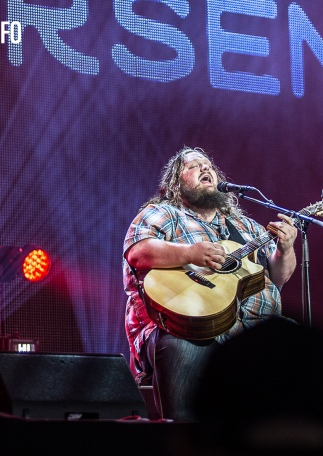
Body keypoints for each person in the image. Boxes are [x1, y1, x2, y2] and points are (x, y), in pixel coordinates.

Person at [122, 146, 298, 421]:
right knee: (183, 345)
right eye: (194, 166)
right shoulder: (165, 213)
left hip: (253, 330)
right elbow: (138, 252)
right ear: (175, 185)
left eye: (209, 166)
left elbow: (276, 279)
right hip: (187, 326)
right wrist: (190, 254)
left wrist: (284, 250)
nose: (206, 169)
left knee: (298, 341)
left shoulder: (247, 226)